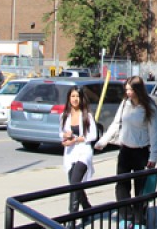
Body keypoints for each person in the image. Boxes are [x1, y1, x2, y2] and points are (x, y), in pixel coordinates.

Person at [95, 76, 157, 227]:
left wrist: (154, 155)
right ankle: (127, 217)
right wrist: (103, 142)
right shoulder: (125, 104)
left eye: (131, 89)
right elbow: (116, 124)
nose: (128, 92)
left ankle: (139, 219)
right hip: (125, 150)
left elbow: (154, 132)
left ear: (138, 90)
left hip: (141, 152)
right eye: (126, 90)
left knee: (140, 188)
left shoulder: (149, 107)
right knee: (121, 186)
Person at [59, 86, 96, 226]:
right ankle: (87, 209)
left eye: (77, 96)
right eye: (73, 96)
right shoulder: (64, 115)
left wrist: (77, 139)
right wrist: (65, 137)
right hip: (70, 153)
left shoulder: (87, 115)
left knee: (74, 183)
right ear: (69, 98)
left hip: (83, 151)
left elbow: (93, 135)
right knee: (75, 184)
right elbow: (60, 133)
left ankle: (71, 219)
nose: (75, 99)